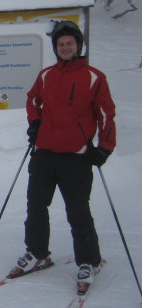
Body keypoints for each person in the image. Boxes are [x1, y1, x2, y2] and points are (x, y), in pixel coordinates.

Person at [9, 20, 116, 292]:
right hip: (44, 154)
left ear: (78, 46)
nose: (65, 47)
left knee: (78, 211)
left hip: (76, 157)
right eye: (61, 44)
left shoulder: (94, 77)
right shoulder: (46, 75)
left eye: (70, 43)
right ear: (56, 48)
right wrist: (35, 123)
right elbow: (33, 99)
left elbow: (106, 114)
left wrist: (104, 147)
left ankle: (88, 261)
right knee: (35, 206)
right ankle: (37, 252)